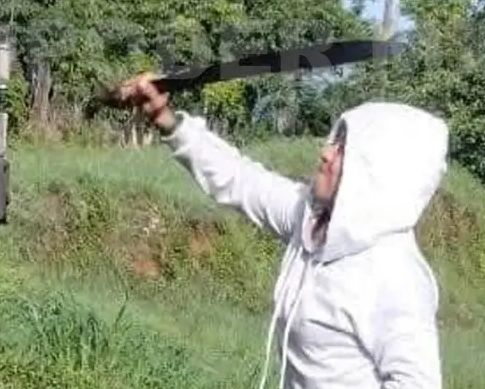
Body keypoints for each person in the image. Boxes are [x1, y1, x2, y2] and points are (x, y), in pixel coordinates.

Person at [111, 74, 447, 389]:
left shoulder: (396, 280)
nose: (326, 152)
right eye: (335, 141)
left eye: (345, 150)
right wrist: (167, 120)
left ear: (378, 174)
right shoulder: (312, 222)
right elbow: (241, 180)